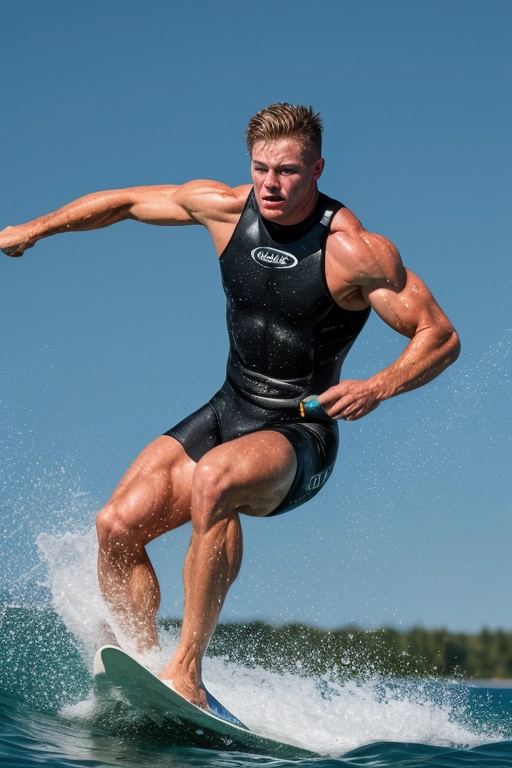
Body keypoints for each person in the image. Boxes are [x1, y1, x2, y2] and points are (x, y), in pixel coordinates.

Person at [0, 103, 460, 709]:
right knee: (114, 528)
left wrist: (379, 385)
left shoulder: (355, 251)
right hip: (230, 406)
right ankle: (145, 664)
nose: (271, 183)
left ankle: (186, 671)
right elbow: (124, 203)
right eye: (261, 167)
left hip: (300, 432)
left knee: (215, 480)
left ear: (317, 168)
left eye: (288, 170)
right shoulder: (221, 207)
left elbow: (441, 337)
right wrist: (34, 228)